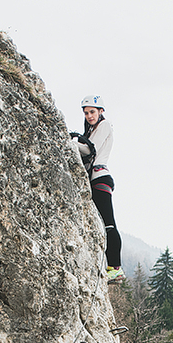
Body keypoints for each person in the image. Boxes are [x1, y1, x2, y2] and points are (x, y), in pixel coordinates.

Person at [71, 95, 124, 282]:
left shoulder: (104, 125)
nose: (89, 116)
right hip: (95, 179)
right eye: (86, 113)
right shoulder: (92, 130)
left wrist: (69, 142)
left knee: (109, 223)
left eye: (92, 112)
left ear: (100, 111)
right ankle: (113, 266)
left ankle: (115, 267)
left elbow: (89, 150)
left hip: (100, 178)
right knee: (104, 224)